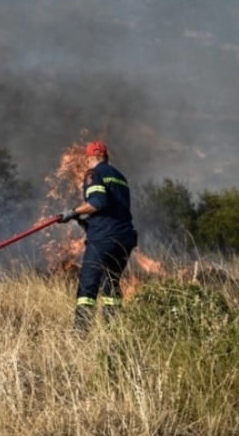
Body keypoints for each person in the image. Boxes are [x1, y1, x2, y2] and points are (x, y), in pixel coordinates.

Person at [57, 140, 138, 333]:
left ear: (89, 158)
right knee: (111, 283)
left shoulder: (94, 174)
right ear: (106, 157)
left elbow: (98, 202)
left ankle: (81, 334)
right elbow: (113, 212)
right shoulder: (120, 177)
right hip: (124, 239)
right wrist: (84, 221)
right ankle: (113, 331)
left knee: (88, 285)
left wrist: (72, 212)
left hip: (103, 239)